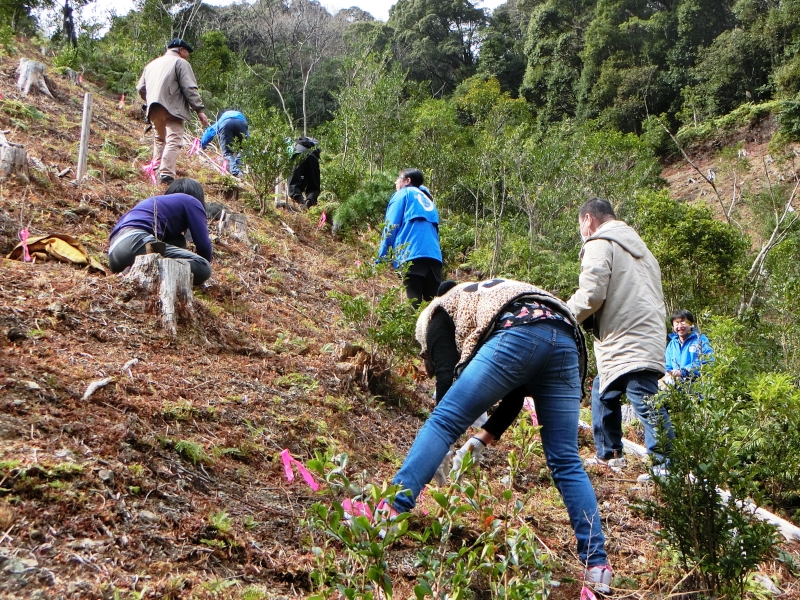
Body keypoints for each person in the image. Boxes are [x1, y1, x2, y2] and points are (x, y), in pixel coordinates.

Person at [392, 278, 614, 592]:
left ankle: (390, 509)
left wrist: (443, 445)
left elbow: (446, 381)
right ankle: (597, 566)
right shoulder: (488, 299)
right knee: (566, 460)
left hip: (520, 330)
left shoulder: (436, 312)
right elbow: (516, 393)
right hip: (565, 336)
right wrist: (481, 438)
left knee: (442, 421)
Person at [566, 197, 675, 480]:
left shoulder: (600, 243)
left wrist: (562, 314)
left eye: (581, 224)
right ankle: (609, 455)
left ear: (588, 219)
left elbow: (592, 294)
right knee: (604, 391)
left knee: (644, 399)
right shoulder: (643, 251)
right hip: (645, 333)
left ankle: (665, 467)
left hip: (625, 336)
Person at [419, 280, 526, 482]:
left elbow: (445, 375)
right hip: (523, 323)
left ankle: (457, 446)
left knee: (513, 388)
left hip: (506, 325)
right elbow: (445, 375)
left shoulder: (441, 312)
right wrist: (458, 445)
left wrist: (466, 443)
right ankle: (443, 448)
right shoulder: (448, 312)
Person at [108, 178, 212, 286]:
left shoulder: (157, 202)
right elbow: (203, 245)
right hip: (135, 242)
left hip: (114, 255)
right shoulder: (191, 201)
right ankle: (139, 272)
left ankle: (131, 269)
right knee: (203, 267)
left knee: (179, 241)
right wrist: (204, 267)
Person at [137, 38, 209, 185]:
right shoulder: (181, 63)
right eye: (187, 52)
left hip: (153, 108)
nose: (187, 56)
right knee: (174, 140)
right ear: (181, 50)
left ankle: (156, 170)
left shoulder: (150, 65)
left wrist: (150, 99)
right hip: (173, 109)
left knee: (160, 140)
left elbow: (140, 88)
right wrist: (199, 110)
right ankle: (166, 175)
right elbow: (190, 88)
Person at [377, 169, 442, 307]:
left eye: (398, 178)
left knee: (414, 304)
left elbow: (391, 226)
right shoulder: (429, 200)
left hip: (411, 253)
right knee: (435, 308)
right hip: (434, 257)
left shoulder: (403, 194)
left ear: (408, 181)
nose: (396, 181)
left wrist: (381, 258)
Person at [664, 309, 714, 383]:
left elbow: (707, 361)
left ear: (691, 324)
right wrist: (669, 374)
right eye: (677, 323)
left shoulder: (700, 339)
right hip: (677, 387)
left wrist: (684, 372)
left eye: (683, 322)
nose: (680, 326)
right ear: (672, 327)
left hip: (697, 385)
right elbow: (668, 365)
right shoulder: (672, 344)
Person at [200, 110, 249, 177]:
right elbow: (248, 140)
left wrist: (202, 144)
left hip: (226, 124)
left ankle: (235, 172)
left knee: (228, 153)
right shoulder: (241, 118)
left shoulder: (222, 119)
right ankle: (239, 169)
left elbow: (211, 131)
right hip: (241, 123)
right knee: (244, 150)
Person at [287, 137, 321, 209]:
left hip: (298, 154)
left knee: (293, 181)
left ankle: (300, 200)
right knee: (314, 184)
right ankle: (310, 200)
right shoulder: (311, 143)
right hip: (313, 156)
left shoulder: (288, 145)